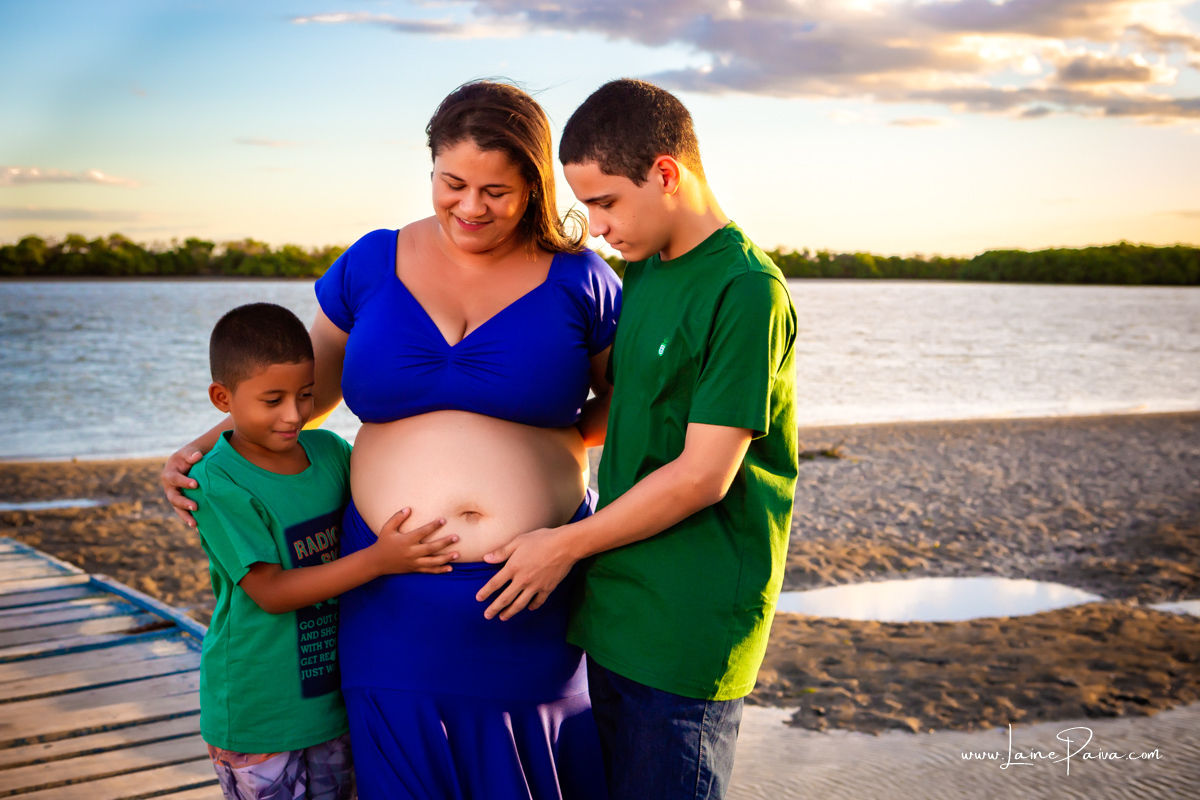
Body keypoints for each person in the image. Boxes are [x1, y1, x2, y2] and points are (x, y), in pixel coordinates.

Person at [162, 82, 619, 800]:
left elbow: (621, 407)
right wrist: (202, 449)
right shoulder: (373, 262)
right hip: (390, 595)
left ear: (533, 185)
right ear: (431, 169)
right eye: (453, 183)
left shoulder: (581, 279)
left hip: (529, 595)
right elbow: (302, 396)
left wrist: (546, 442)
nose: (470, 207)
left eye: (497, 191)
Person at [476, 79, 799, 800]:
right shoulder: (644, 271)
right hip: (614, 610)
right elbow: (613, 412)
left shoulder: (746, 290)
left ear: (665, 173)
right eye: (585, 204)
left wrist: (558, 546)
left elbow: (700, 477)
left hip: (688, 629)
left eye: (606, 202)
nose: (593, 226)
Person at [186, 302, 456, 800]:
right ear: (222, 397)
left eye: (306, 395)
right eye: (272, 400)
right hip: (259, 709)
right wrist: (380, 560)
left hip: (333, 698)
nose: (294, 415)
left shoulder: (331, 453)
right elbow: (269, 591)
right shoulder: (216, 481)